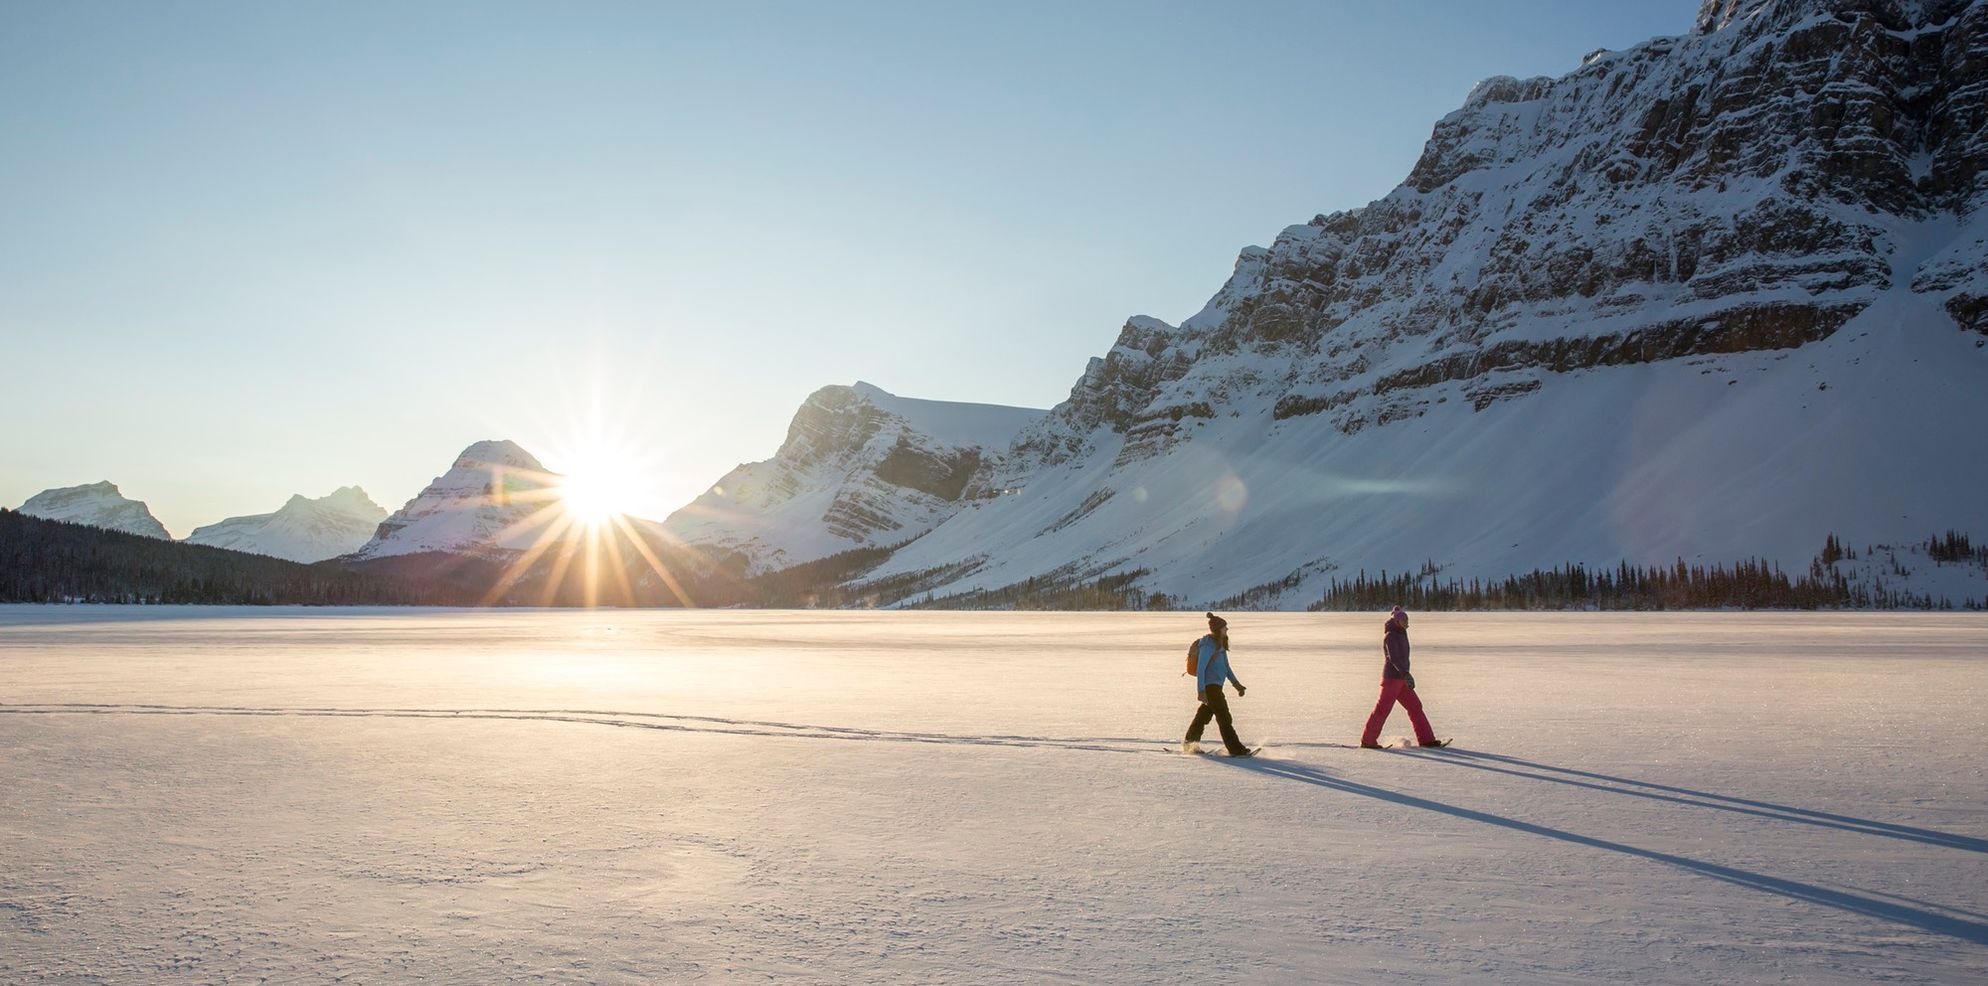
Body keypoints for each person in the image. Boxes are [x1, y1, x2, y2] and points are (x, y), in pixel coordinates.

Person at [1360, 605, 1446, 749]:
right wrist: (1405, 673)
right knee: (1383, 709)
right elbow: (1394, 658)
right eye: (1404, 620)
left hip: (1402, 679)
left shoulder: (1401, 633)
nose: (1407, 623)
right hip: (1392, 679)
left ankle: (1426, 739)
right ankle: (1368, 740)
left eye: (1407, 620)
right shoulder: (1391, 636)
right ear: (1397, 621)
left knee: (1415, 707)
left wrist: (1405, 674)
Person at [1183, 612, 1255, 757]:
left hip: (1215, 687)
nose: (1227, 630)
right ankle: (1236, 749)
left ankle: (1189, 744)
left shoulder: (1219, 646)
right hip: (1210, 689)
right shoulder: (1208, 646)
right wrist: (1201, 691)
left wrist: (1237, 685)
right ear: (1218, 629)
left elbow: (1227, 668)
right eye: (1224, 628)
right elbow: (1201, 669)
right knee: (1224, 717)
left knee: (1202, 717)